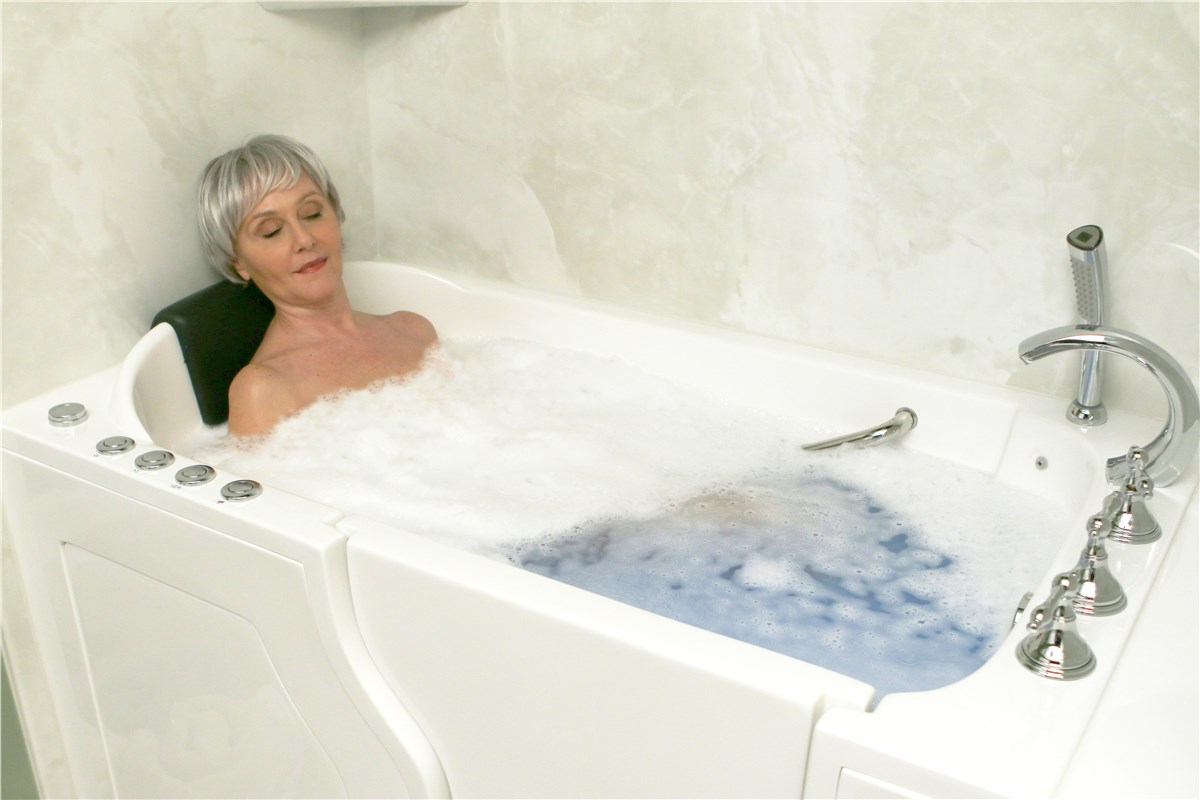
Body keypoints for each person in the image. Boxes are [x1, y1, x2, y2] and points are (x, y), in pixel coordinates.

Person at [198, 134, 437, 437]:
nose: (304, 239)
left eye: (312, 213)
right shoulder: (262, 392)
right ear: (238, 263)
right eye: (271, 231)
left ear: (335, 213)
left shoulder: (414, 331)